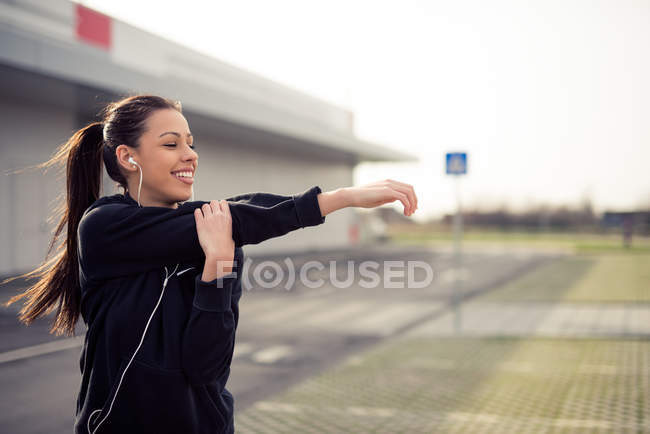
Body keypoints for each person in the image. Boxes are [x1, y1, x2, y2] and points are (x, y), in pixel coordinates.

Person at [2, 94, 418, 434]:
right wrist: (339, 198)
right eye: (171, 144)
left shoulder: (219, 241)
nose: (190, 155)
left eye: (190, 142)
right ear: (128, 157)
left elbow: (206, 367)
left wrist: (217, 267)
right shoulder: (105, 226)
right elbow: (232, 215)